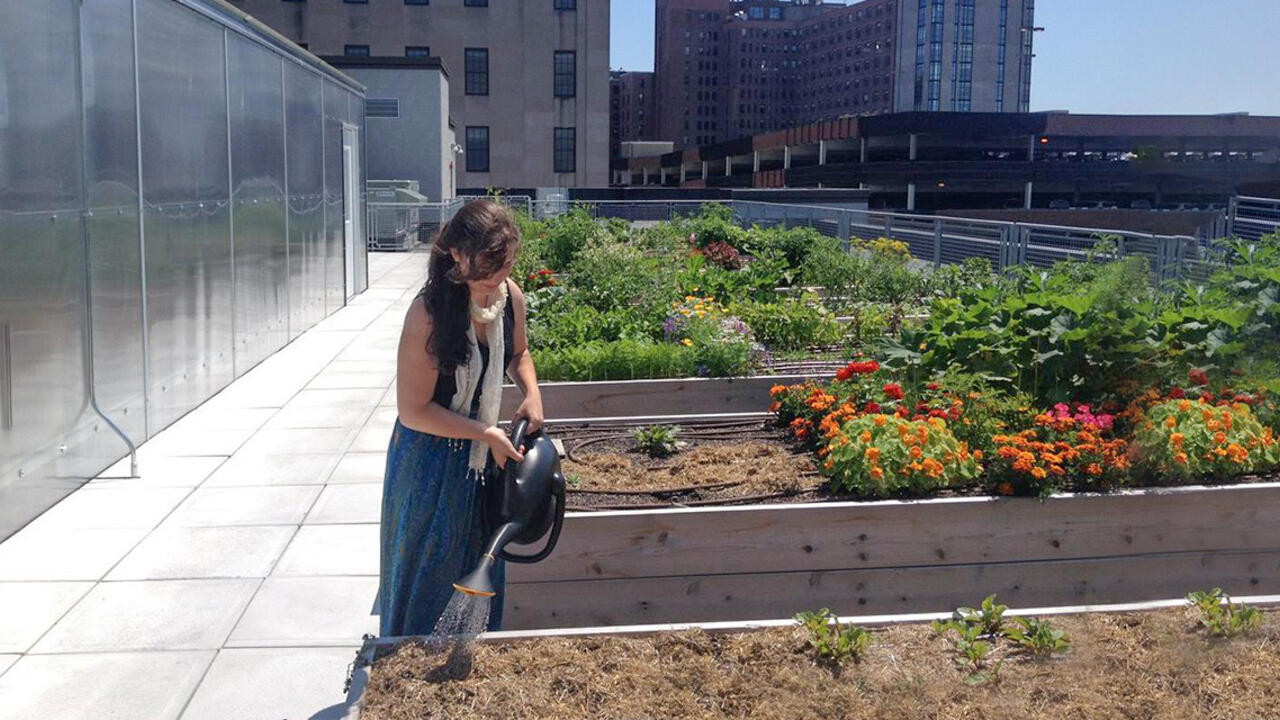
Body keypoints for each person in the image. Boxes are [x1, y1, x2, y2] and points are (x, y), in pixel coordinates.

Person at [379, 200, 543, 637]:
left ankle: (472, 660)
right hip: (428, 460)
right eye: (486, 270)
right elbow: (413, 412)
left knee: (481, 564)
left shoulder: (511, 299)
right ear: (456, 255)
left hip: (481, 458)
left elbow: (518, 353)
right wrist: (484, 432)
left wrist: (532, 391)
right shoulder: (428, 314)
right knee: (427, 571)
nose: (495, 282)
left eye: (504, 267)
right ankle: (408, 669)